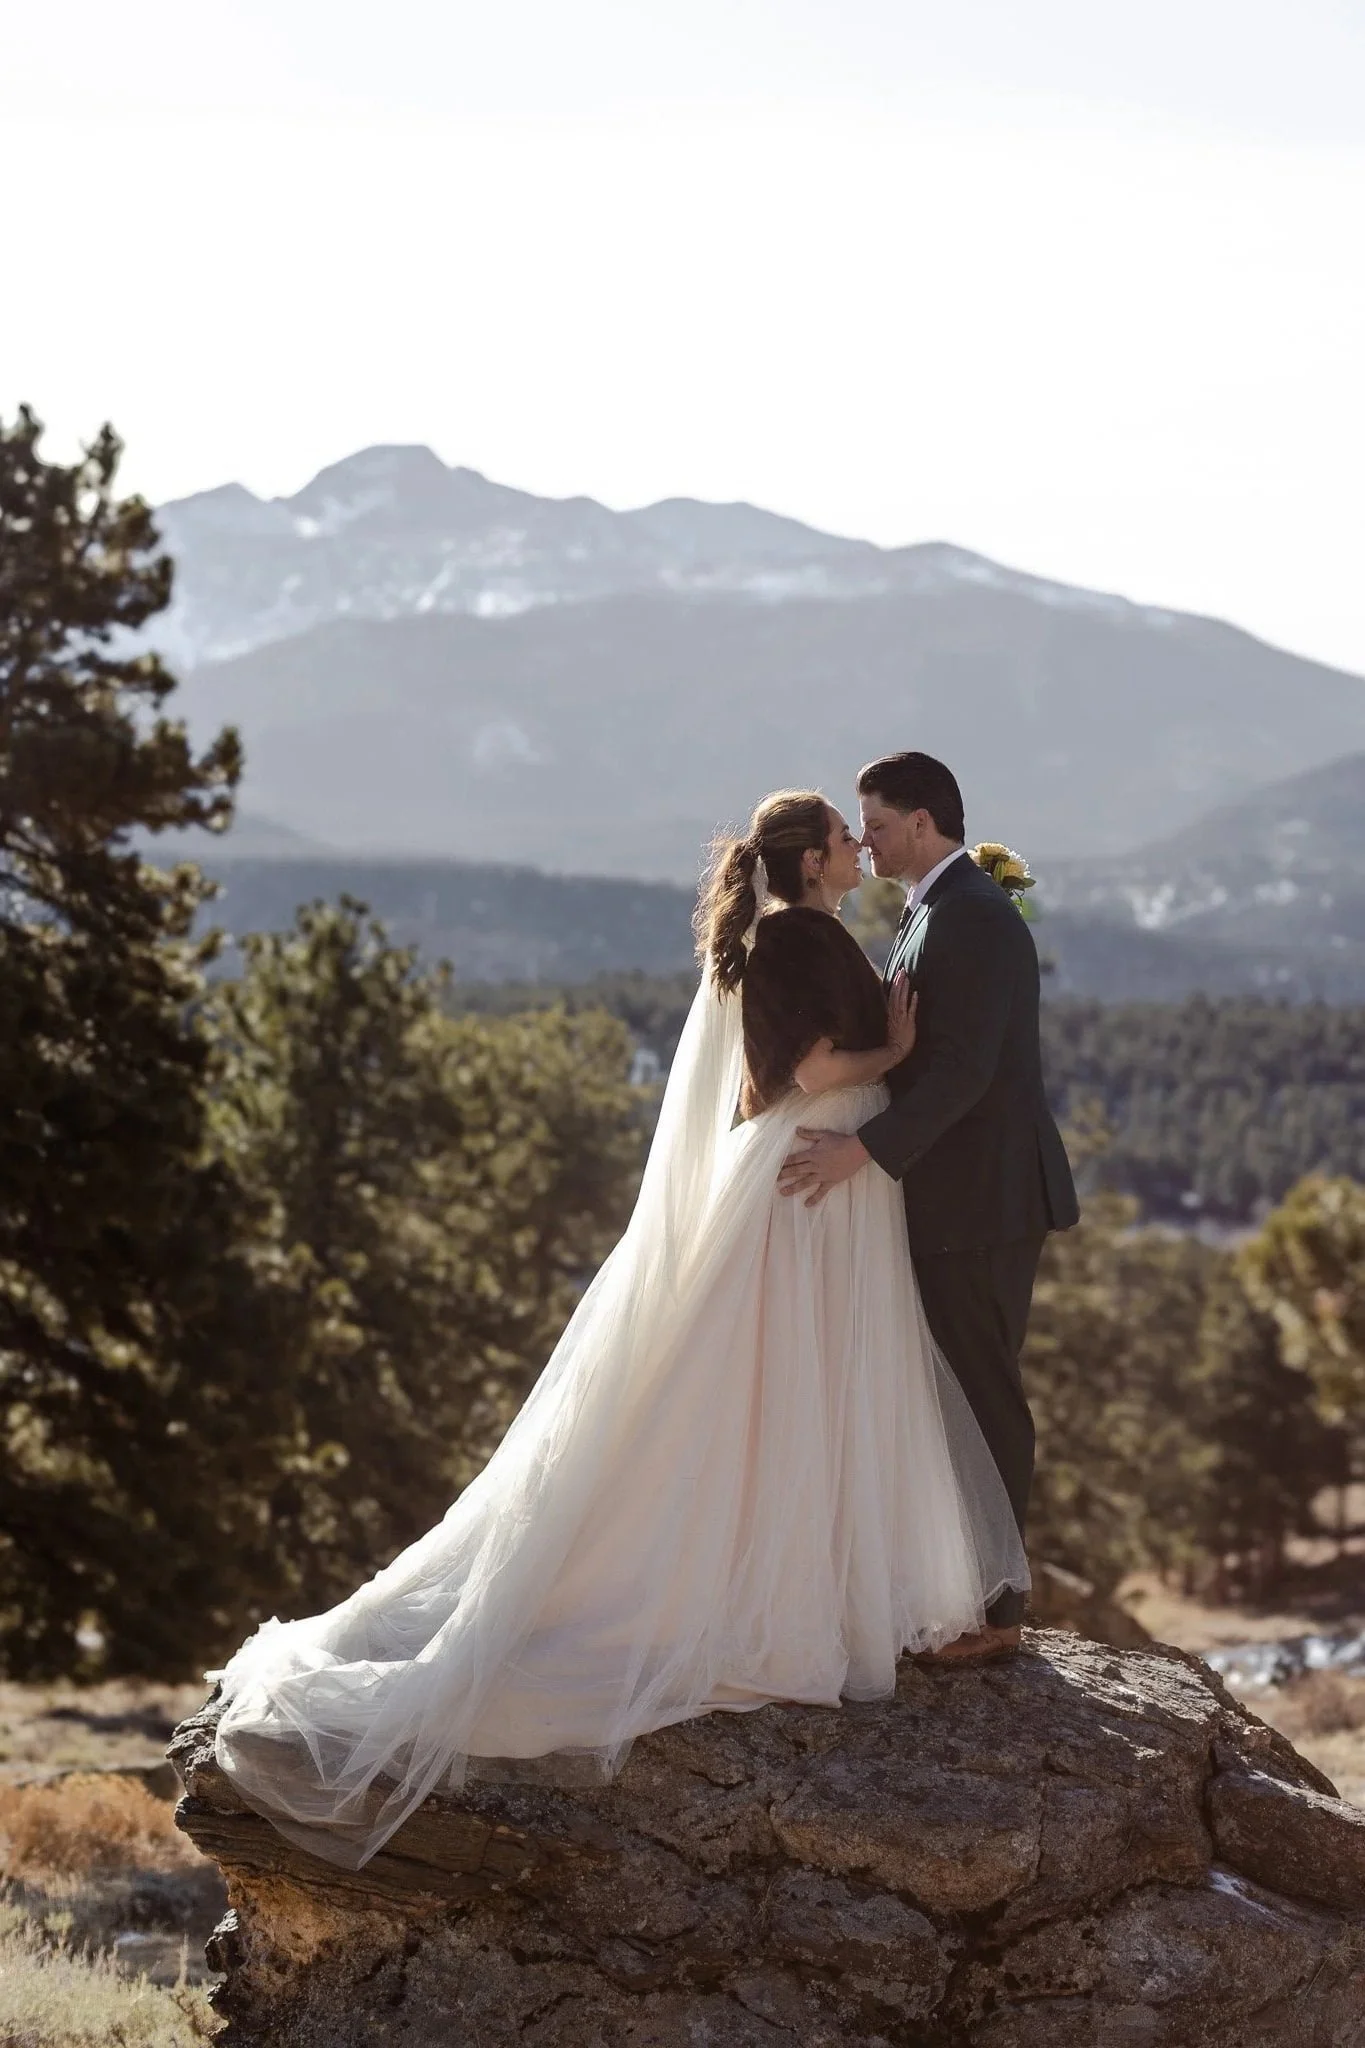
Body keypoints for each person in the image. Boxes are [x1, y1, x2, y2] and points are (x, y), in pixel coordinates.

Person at [211, 787, 1028, 1869]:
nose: (855, 844)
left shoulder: (808, 930)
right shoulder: (790, 939)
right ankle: (747, 1589)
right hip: (811, 1185)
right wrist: (895, 1052)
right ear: (806, 856)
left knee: (809, 1387)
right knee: (778, 1386)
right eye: (841, 834)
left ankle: (814, 1582)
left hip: (836, 1186)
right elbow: (797, 1074)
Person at [778, 753, 1079, 1662]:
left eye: (871, 821)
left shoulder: (974, 918)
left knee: (984, 1393)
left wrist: (861, 1152)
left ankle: (997, 1615)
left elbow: (963, 1070)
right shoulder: (931, 909)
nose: (861, 839)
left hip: (982, 1201)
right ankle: (959, 1590)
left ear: (919, 821)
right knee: (948, 1390)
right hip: (947, 1196)